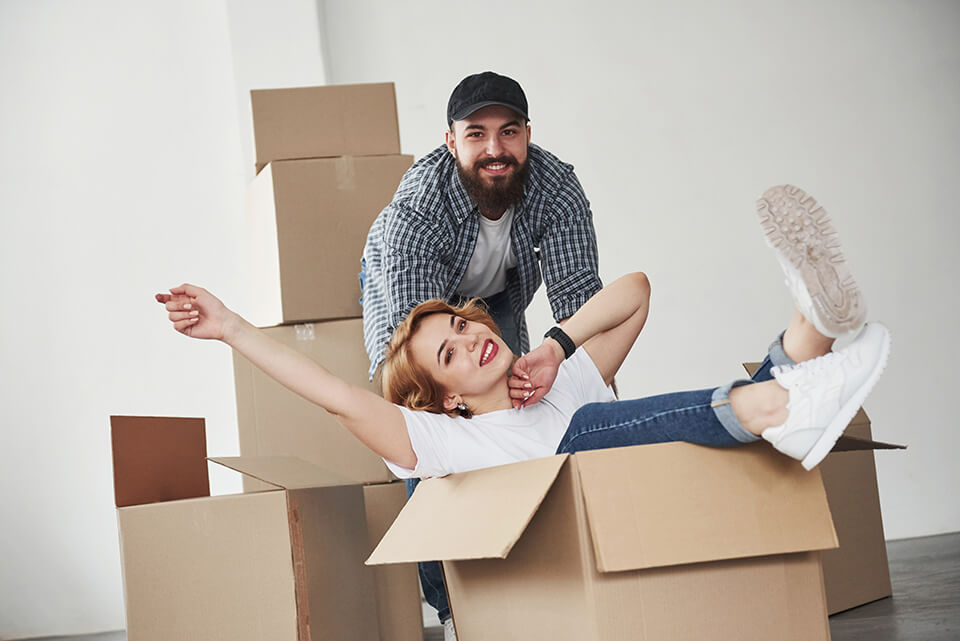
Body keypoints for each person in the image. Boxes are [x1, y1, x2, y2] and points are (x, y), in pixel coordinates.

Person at [157, 185, 886, 640]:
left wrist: (556, 344)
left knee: (593, 419)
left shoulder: (558, 381)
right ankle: (781, 393)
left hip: (661, 512)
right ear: (444, 398)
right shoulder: (440, 442)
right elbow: (337, 397)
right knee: (588, 435)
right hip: (571, 574)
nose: (472, 339)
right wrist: (230, 326)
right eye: (448, 353)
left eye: (466, 325)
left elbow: (635, 290)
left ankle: (809, 329)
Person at [359, 71, 603, 631]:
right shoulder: (418, 210)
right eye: (476, 134)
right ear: (452, 141)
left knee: (528, 404)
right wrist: (455, 402)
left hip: (496, 298)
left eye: (508, 132)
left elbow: (580, 307)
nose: (495, 149)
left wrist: (568, 367)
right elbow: (422, 349)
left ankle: (547, 566)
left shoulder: (556, 187)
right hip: (414, 310)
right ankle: (452, 607)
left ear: (527, 134)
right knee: (433, 443)